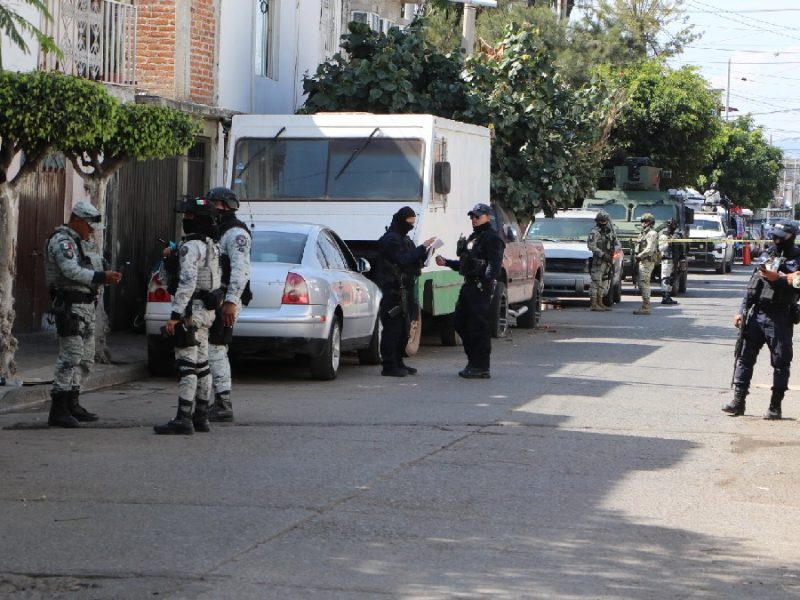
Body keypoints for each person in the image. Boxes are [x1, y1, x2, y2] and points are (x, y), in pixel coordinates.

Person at [44, 202, 123, 428]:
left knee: (86, 359)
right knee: (70, 357)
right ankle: (58, 409)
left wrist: (105, 275)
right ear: (77, 220)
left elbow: (92, 266)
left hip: (87, 306)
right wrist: (101, 276)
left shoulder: (82, 243)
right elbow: (70, 270)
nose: (91, 231)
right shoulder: (62, 241)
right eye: (88, 226)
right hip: (70, 305)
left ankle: (72, 403)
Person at [154, 198, 222, 435]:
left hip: (191, 312)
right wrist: (169, 259)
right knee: (202, 365)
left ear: (199, 220)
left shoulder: (191, 247)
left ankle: (183, 418)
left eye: (190, 216)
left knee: (186, 365)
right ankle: (201, 416)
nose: (185, 220)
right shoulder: (212, 245)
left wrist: (175, 315)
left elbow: (187, 282)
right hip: (206, 312)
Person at [724, 220, 800, 420]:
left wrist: (780, 279)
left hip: (780, 316)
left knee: (780, 362)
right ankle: (738, 402)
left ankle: (775, 406)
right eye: (774, 236)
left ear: (791, 237)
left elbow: (798, 283)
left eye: (780, 237)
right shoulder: (768, 253)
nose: (776, 239)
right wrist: (741, 311)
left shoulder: (798, 257)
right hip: (757, 313)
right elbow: (752, 285)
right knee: (744, 358)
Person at [435, 203, 505, 379]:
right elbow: (466, 265)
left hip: (480, 288)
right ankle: (473, 361)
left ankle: (481, 366)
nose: (474, 219)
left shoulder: (492, 238)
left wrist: (483, 285)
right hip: (469, 285)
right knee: (459, 323)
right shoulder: (475, 237)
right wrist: (447, 263)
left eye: (477, 216)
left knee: (478, 327)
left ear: (488, 217)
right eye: (472, 216)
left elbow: (494, 267)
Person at [205, 187, 251, 421]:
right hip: (212, 298)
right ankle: (206, 401)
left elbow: (240, 270)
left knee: (216, 348)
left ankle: (223, 403)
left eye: (214, 203)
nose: (211, 208)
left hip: (224, 299)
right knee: (206, 349)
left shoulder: (235, 233)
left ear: (226, 206)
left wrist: (231, 300)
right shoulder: (216, 230)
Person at [375, 207, 435, 377]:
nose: (411, 226)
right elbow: (402, 259)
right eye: (409, 222)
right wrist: (422, 248)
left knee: (403, 330)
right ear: (401, 221)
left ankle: (398, 362)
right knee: (392, 330)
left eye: (413, 223)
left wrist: (425, 254)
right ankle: (389, 365)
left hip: (405, 290)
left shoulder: (405, 240)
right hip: (392, 290)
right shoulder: (390, 240)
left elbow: (413, 261)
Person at [587, 210, 617, 312]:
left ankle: (600, 302)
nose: (603, 223)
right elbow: (591, 246)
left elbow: (614, 243)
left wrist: (610, 256)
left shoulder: (609, 232)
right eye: (601, 221)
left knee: (604, 282)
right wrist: (603, 254)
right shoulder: (594, 232)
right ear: (598, 221)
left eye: (605, 221)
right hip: (599, 261)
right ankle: (593, 303)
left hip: (607, 261)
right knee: (596, 282)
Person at [633, 213, 659, 315]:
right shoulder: (643, 233)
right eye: (642, 221)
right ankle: (645, 305)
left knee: (644, 283)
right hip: (642, 261)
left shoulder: (651, 233)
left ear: (651, 223)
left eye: (646, 221)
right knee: (641, 283)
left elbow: (650, 249)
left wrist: (640, 255)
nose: (643, 223)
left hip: (647, 261)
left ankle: (646, 306)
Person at [658, 219, 680, 305]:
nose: (674, 227)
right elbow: (661, 248)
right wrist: (669, 243)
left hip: (674, 260)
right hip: (666, 260)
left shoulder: (676, 236)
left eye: (675, 225)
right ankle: (664, 297)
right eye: (673, 225)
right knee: (665, 279)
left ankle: (668, 296)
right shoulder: (663, 236)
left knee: (672, 279)